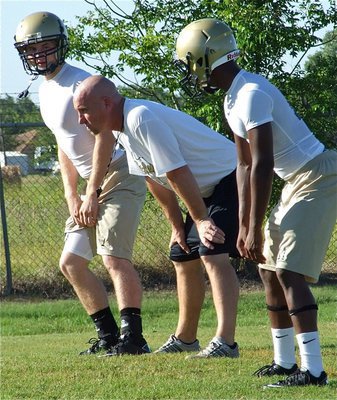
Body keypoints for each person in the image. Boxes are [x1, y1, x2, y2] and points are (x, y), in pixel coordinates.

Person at [175, 18, 337, 386]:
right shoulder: (234, 96)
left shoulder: (249, 93)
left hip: (318, 175)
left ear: (206, 58)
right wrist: (247, 226)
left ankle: (313, 371)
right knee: (268, 269)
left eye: (190, 63)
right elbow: (244, 165)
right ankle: (283, 362)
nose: (189, 73)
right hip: (296, 178)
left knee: (288, 271)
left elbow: (262, 163)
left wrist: (251, 226)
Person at [72, 74, 241, 359]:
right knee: (182, 253)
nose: (80, 120)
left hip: (232, 176)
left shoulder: (140, 118)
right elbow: (153, 179)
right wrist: (178, 226)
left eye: (84, 111)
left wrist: (200, 220)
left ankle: (226, 343)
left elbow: (177, 172)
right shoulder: (120, 128)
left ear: (107, 103)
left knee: (211, 252)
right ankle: (186, 339)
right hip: (205, 188)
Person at [14, 11, 150, 356]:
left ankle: (133, 339)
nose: (39, 55)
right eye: (31, 50)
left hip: (118, 174)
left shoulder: (82, 82)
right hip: (91, 182)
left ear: (61, 45)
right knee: (71, 263)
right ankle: (107, 337)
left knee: (114, 257)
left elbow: (105, 136)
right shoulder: (45, 91)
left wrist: (93, 192)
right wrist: (71, 193)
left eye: (45, 46)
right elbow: (64, 144)